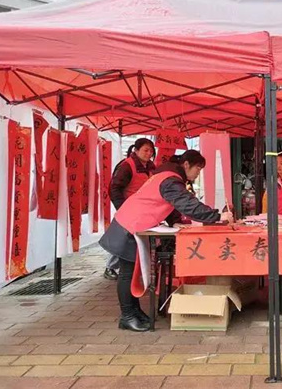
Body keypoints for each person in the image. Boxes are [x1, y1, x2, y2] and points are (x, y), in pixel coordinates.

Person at [99, 150, 234, 332]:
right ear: (186, 165)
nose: (198, 173)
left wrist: (173, 221)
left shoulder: (166, 175)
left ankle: (134, 312)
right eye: (198, 168)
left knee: (131, 273)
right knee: (127, 274)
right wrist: (217, 216)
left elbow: (170, 203)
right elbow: (187, 204)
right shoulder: (171, 179)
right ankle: (127, 316)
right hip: (129, 225)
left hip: (131, 223)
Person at [104, 138, 156, 280]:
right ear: (136, 150)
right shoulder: (127, 166)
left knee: (133, 240)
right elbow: (114, 188)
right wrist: (122, 208)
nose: (149, 153)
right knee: (123, 238)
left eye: (151, 151)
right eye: (146, 150)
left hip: (143, 210)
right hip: (128, 210)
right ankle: (110, 267)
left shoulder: (151, 167)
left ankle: (137, 268)